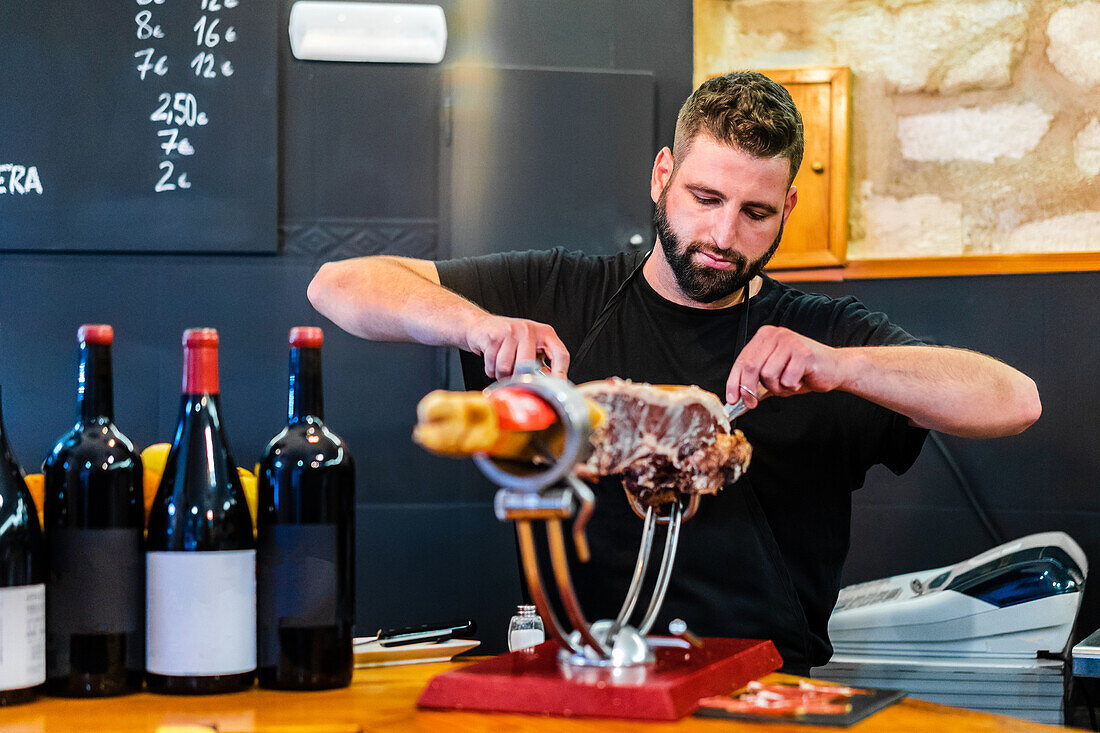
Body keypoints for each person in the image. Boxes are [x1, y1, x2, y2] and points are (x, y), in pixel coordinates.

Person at [307, 71, 1041, 674]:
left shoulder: (824, 335)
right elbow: (340, 285)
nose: (724, 237)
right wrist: (478, 324)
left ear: (787, 205)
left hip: (762, 692)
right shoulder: (564, 292)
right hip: (585, 678)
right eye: (706, 198)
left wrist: (841, 364)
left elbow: (1016, 401)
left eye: (756, 212)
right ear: (663, 174)